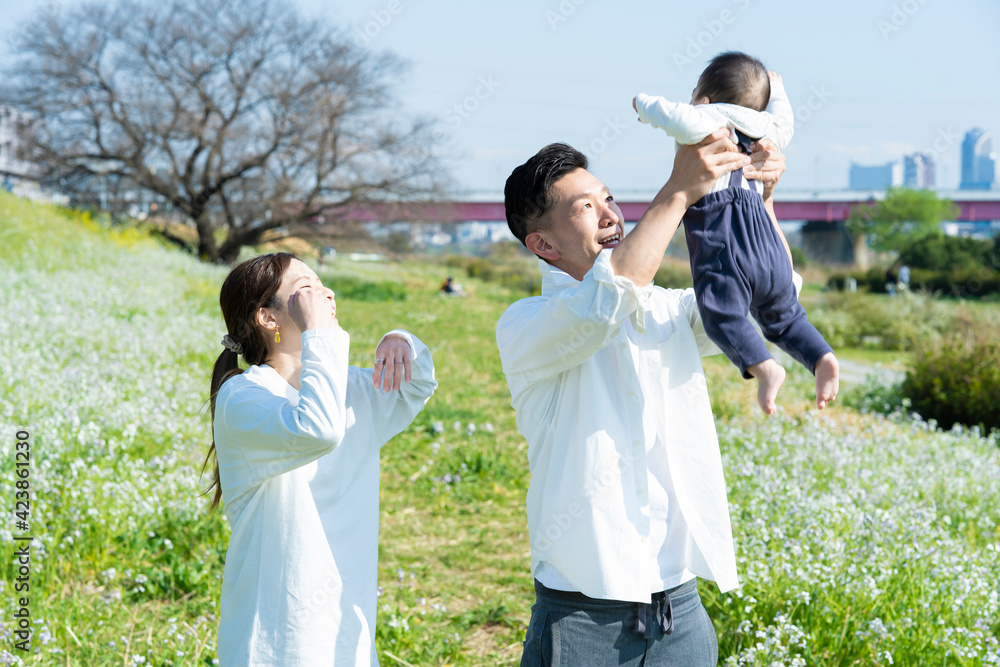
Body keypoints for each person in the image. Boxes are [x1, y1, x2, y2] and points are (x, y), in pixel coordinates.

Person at [497, 135, 790, 666]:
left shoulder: (668, 310)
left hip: (680, 608)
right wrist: (678, 191)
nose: (610, 213)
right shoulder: (525, 325)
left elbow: (766, 295)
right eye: (586, 207)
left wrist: (759, 201)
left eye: (608, 197)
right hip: (583, 619)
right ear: (543, 244)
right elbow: (607, 298)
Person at [202, 253, 436, 666]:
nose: (326, 294)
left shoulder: (348, 390)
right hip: (278, 638)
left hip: (346, 632)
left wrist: (402, 339)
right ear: (267, 318)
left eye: (322, 283)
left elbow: (416, 385)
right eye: (306, 290)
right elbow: (318, 429)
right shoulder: (244, 397)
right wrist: (321, 339)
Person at [632, 51, 838, 414]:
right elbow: (785, 120)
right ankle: (821, 357)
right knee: (786, 313)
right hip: (767, 241)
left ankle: (764, 368)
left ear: (704, 96)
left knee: (722, 311)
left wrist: (643, 104)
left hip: (725, 238)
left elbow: (672, 114)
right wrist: (779, 91)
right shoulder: (767, 128)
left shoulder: (705, 118)